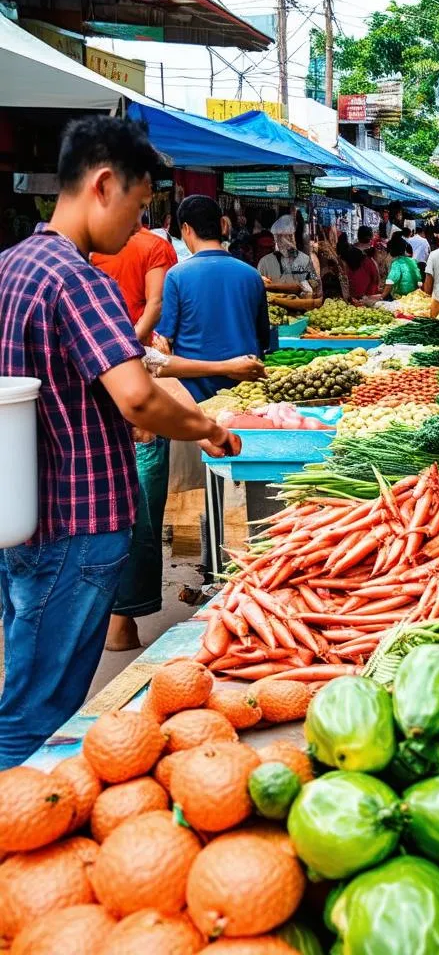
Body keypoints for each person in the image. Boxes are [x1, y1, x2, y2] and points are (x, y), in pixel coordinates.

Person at [0, 116, 241, 768]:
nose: (137, 229)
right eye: (137, 208)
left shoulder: (9, 265)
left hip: (23, 518)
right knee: (37, 712)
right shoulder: (80, 278)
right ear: (104, 185)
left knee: (27, 677)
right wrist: (209, 427)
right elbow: (135, 395)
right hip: (77, 524)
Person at [106, 348, 264, 651]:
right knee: (134, 531)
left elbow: (155, 364)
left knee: (122, 533)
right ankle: (116, 627)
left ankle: (111, 625)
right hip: (128, 439)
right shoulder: (96, 313)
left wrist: (223, 367)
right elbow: (149, 381)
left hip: (109, 441)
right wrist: (208, 432)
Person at [157, 195, 270, 401]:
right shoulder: (251, 275)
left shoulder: (176, 276)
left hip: (195, 393)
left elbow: (164, 341)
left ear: (186, 229)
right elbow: (263, 338)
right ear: (221, 225)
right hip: (246, 392)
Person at [92, 221, 178, 343]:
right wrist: (131, 343)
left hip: (103, 339)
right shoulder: (156, 246)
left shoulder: (93, 247)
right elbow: (156, 303)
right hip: (142, 342)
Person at [258, 214, 323, 312]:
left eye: (288, 237)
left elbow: (315, 289)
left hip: (301, 311)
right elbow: (259, 288)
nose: (283, 242)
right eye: (279, 238)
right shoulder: (265, 262)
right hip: (273, 312)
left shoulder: (304, 260)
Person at [382, 234, 422, 299]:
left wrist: (381, 296)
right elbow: (419, 279)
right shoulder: (412, 261)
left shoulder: (396, 263)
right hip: (414, 296)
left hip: (401, 297)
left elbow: (390, 282)